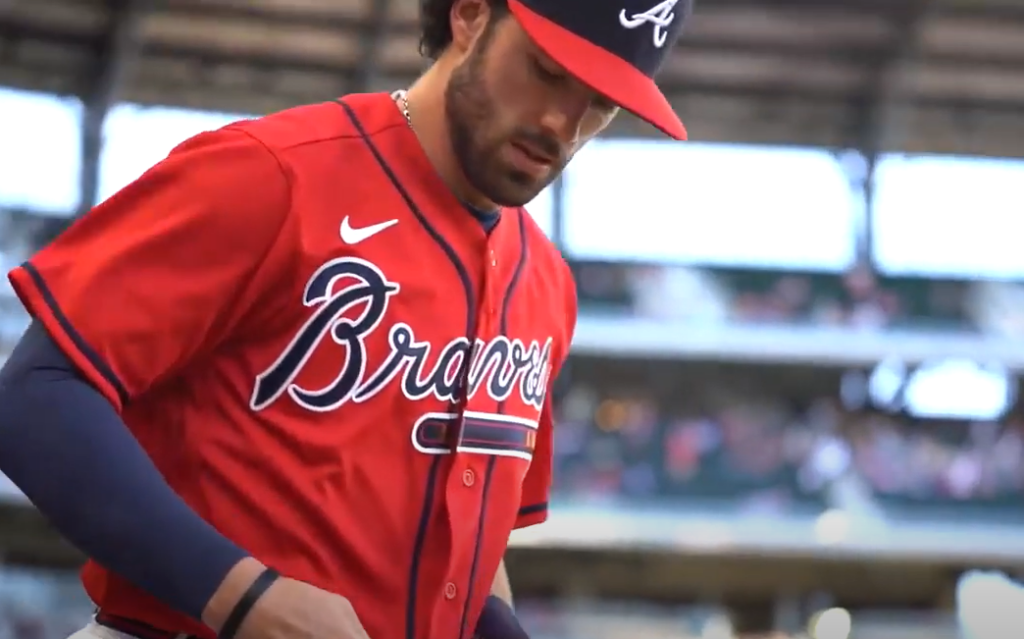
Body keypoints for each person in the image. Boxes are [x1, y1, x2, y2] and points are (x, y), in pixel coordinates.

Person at [0, 0, 691, 638]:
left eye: (601, 104)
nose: (561, 125)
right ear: (472, 14)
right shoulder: (271, 174)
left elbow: (467, 552)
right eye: (545, 71)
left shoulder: (547, 286)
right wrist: (239, 594)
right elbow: (34, 396)